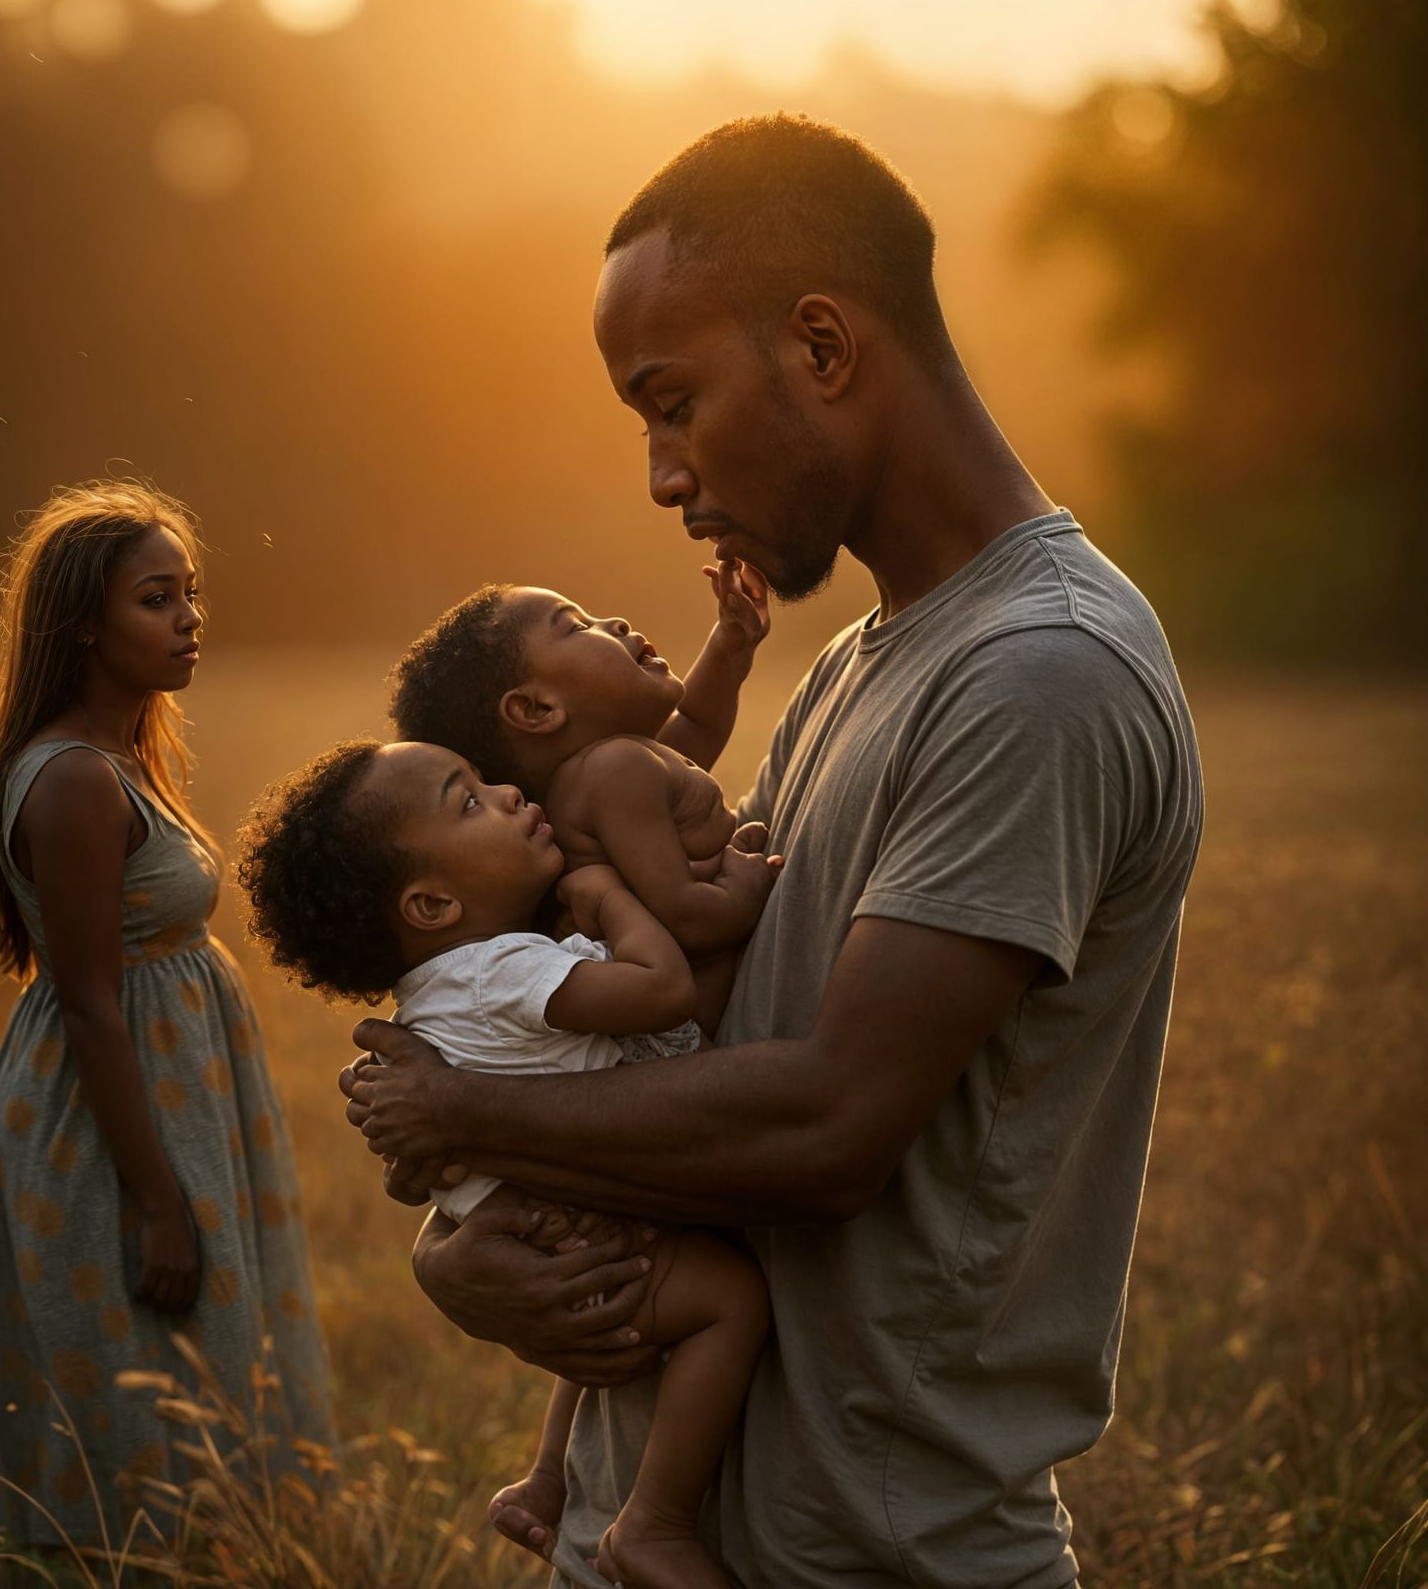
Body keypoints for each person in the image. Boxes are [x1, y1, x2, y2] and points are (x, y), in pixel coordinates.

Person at [342, 112, 1204, 1589]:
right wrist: (459, 1247)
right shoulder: (858, 665)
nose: (666, 474)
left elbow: (826, 1127)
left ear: (820, 344)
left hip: (873, 1551)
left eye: (671, 402)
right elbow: (686, 1051)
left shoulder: (1040, 672)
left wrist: (464, 1122)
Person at [236, 737, 769, 1588]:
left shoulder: (441, 994)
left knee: (610, 1333)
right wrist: (610, 898)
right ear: (435, 904)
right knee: (730, 1303)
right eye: (471, 800)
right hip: (595, 1232)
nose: (510, 790)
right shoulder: (504, 975)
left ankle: (551, 1476)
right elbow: (663, 992)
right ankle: (656, 1525)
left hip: (548, 1233)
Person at [0, 480, 333, 1547]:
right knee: (139, 1384)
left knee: (180, 1378)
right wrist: (157, 1199)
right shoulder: (72, 784)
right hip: (119, 1120)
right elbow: (92, 1003)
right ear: (83, 625)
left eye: (190, 593)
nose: (189, 617)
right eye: (157, 598)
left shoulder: (119, 765)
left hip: (168, 1094)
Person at [388, 567, 776, 1031]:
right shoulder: (614, 771)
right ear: (537, 710)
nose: (612, 622)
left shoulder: (607, 772)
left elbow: (696, 723)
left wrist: (729, 645)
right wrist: (747, 887)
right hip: (689, 1029)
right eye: (576, 626)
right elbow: (689, 915)